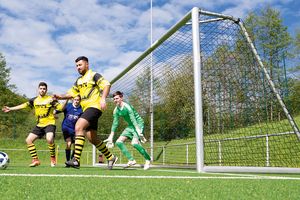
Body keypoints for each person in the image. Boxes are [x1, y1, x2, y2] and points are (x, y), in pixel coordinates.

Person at [53, 56, 118, 169]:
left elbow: (107, 85)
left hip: (94, 107)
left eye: (80, 65)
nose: (78, 67)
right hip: (86, 109)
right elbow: (71, 93)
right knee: (92, 138)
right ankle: (111, 157)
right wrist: (60, 96)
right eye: (77, 66)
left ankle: (76, 160)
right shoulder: (78, 81)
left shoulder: (94, 75)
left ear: (87, 64)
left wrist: (103, 98)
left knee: (78, 126)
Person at [2, 82, 63, 167]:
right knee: (28, 140)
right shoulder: (34, 100)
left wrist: (57, 101)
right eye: (41, 88)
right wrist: (10, 108)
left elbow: (61, 108)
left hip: (50, 123)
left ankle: (53, 158)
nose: (42, 90)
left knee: (49, 139)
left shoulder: (50, 99)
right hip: (39, 124)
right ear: (38, 89)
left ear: (46, 90)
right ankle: (36, 160)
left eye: (44, 89)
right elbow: (24, 105)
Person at [104, 91, 151, 170]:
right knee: (118, 142)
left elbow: (133, 119)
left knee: (134, 143)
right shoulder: (116, 110)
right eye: (114, 99)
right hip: (130, 126)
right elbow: (115, 123)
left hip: (138, 124)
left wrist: (138, 131)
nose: (115, 100)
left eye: (117, 98)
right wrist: (111, 136)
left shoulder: (127, 106)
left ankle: (148, 159)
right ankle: (131, 160)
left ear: (121, 98)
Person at [55, 96, 83, 166]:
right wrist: (54, 113)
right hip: (66, 128)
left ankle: (72, 160)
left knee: (76, 145)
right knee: (69, 143)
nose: (76, 101)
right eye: (75, 100)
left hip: (76, 129)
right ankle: (68, 161)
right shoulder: (68, 106)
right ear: (73, 100)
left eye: (78, 100)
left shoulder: (81, 109)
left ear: (80, 101)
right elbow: (59, 110)